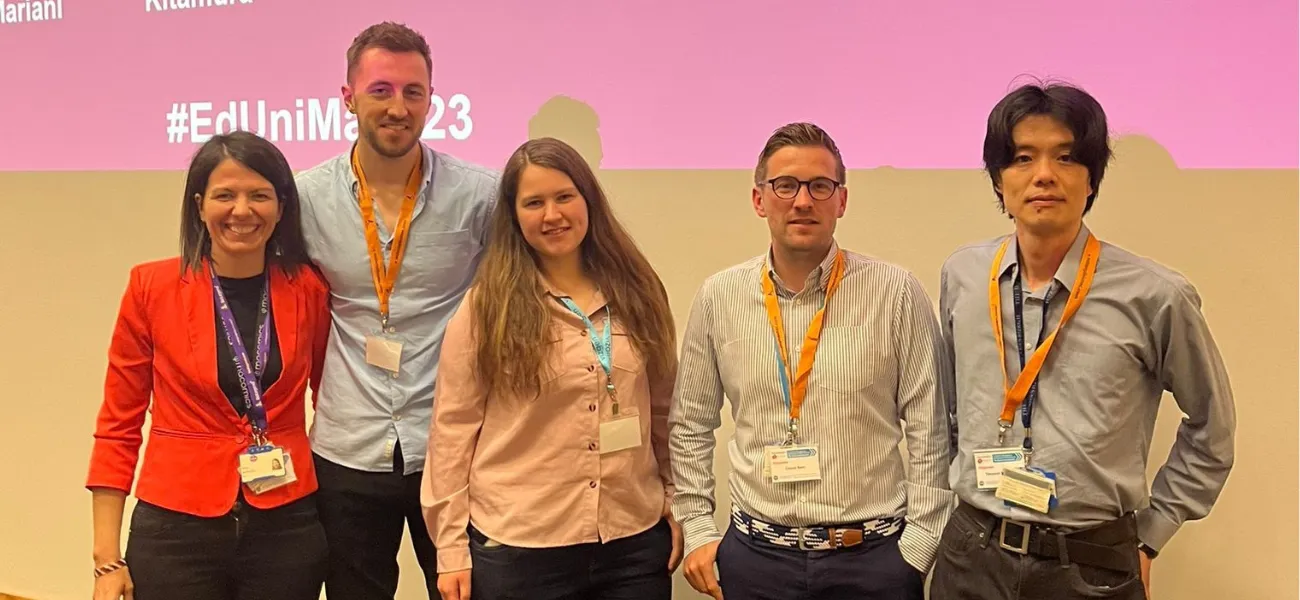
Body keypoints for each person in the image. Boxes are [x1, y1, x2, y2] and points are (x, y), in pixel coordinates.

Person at [930, 81, 1237, 600]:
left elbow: (1213, 427)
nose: (1044, 175)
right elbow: (950, 413)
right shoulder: (963, 274)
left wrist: (1151, 534)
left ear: (1091, 178)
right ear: (999, 179)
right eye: (1023, 157)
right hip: (972, 555)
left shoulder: (1154, 295)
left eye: (1066, 157)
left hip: (1090, 567)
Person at [669, 122, 955, 600]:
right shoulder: (719, 296)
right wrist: (698, 527)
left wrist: (918, 548)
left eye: (820, 186)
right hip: (756, 560)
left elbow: (931, 429)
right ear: (759, 199)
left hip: (873, 560)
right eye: (785, 185)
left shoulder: (896, 293)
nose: (802, 201)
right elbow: (690, 424)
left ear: (841, 200)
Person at [421, 137, 683, 600]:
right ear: (513, 215)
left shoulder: (638, 292)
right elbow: (452, 431)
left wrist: (676, 498)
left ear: (588, 200)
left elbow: (663, 409)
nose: (552, 215)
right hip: (522, 549)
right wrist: (451, 549)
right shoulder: (487, 307)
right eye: (534, 203)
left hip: (631, 542)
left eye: (564, 196)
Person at [293, 21, 500, 600]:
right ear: (348, 97)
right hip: (348, 444)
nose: (397, 108)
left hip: (454, 447)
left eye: (413, 92)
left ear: (431, 99)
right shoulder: (305, 198)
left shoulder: (481, 195)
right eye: (380, 90)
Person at [86, 131, 332, 600]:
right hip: (176, 531)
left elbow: (331, 400)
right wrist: (106, 560)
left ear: (281, 207)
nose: (242, 210)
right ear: (199, 206)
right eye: (225, 195)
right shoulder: (151, 288)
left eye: (259, 195)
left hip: (286, 528)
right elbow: (118, 425)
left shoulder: (309, 289)